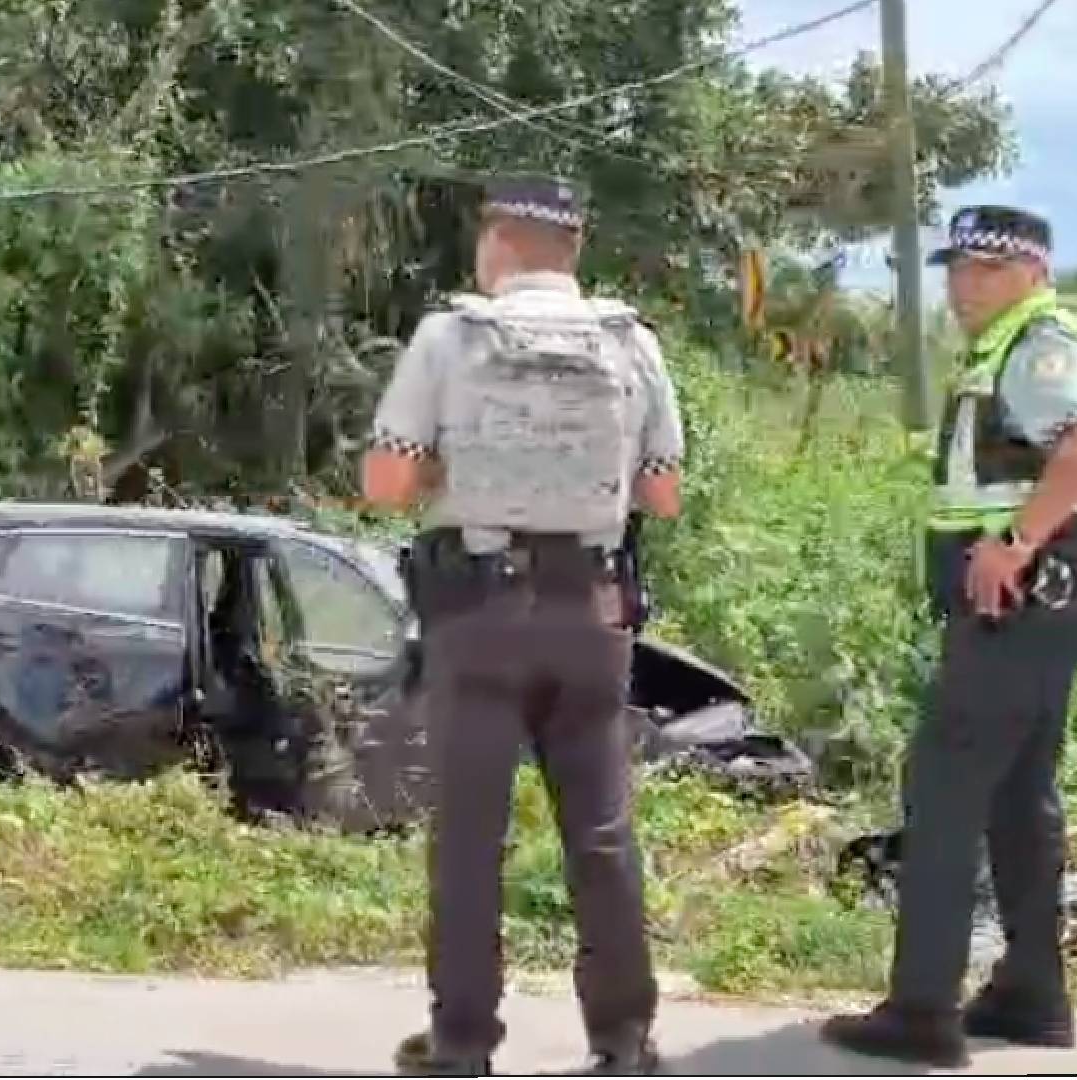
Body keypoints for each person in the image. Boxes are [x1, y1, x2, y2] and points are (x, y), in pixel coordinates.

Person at [362, 174, 684, 1076]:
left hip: (480, 615)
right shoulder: (630, 343)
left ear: (498, 240)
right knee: (602, 832)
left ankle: (462, 1044)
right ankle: (623, 1041)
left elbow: (386, 484)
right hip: (593, 616)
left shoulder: (450, 336)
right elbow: (663, 491)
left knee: (470, 837)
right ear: (573, 248)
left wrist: (450, 478)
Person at [821, 206, 1077, 1068]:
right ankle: (1031, 995)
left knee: (945, 786)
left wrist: (1017, 543)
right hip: (1030, 599)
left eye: (982, 269)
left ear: (1031, 269)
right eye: (955, 269)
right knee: (1017, 795)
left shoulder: (1041, 341)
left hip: (1022, 593)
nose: (961, 286)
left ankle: (921, 1009)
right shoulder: (1005, 348)